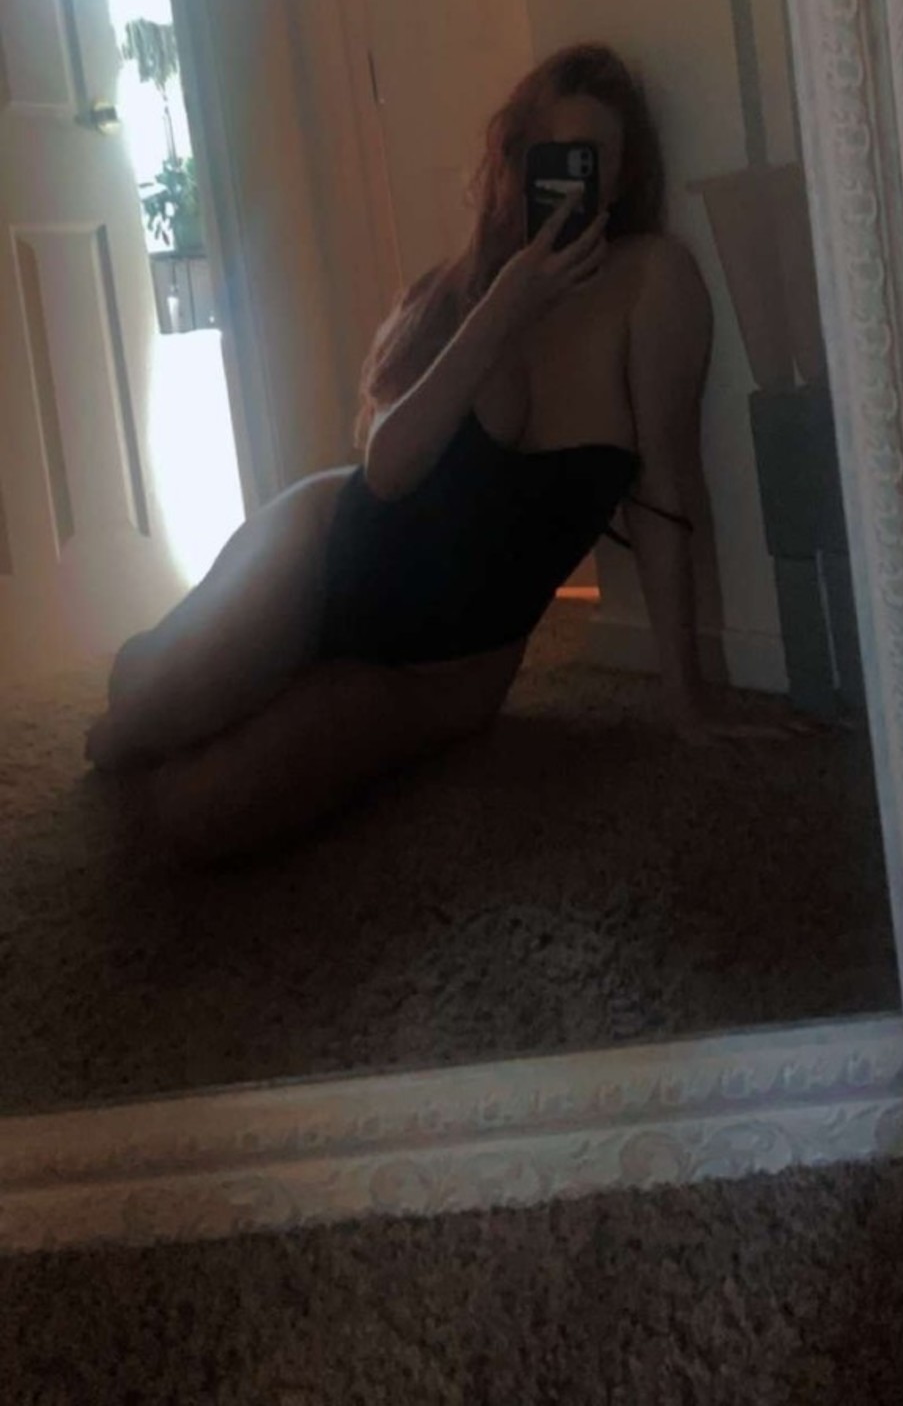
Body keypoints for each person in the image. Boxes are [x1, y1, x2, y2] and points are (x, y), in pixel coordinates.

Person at [85, 43, 731, 861]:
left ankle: (245, 669)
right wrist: (504, 307)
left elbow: (666, 490)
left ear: (625, 170)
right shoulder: (460, 290)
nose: (572, 179)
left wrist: (687, 702)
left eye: (592, 157)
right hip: (326, 549)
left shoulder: (653, 283)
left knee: (191, 815)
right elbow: (388, 470)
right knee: (141, 721)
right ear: (515, 165)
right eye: (551, 155)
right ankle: (159, 661)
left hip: (445, 674)